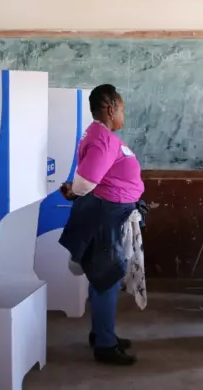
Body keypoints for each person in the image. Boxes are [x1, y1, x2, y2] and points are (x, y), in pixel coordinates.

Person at [59, 84, 146, 366]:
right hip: (104, 216)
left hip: (108, 214)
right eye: (122, 107)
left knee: (102, 278)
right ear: (110, 107)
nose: (123, 113)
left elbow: (83, 183)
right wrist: (75, 189)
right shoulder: (101, 138)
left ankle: (101, 334)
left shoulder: (101, 135)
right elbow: (85, 182)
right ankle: (105, 346)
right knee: (106, 278)